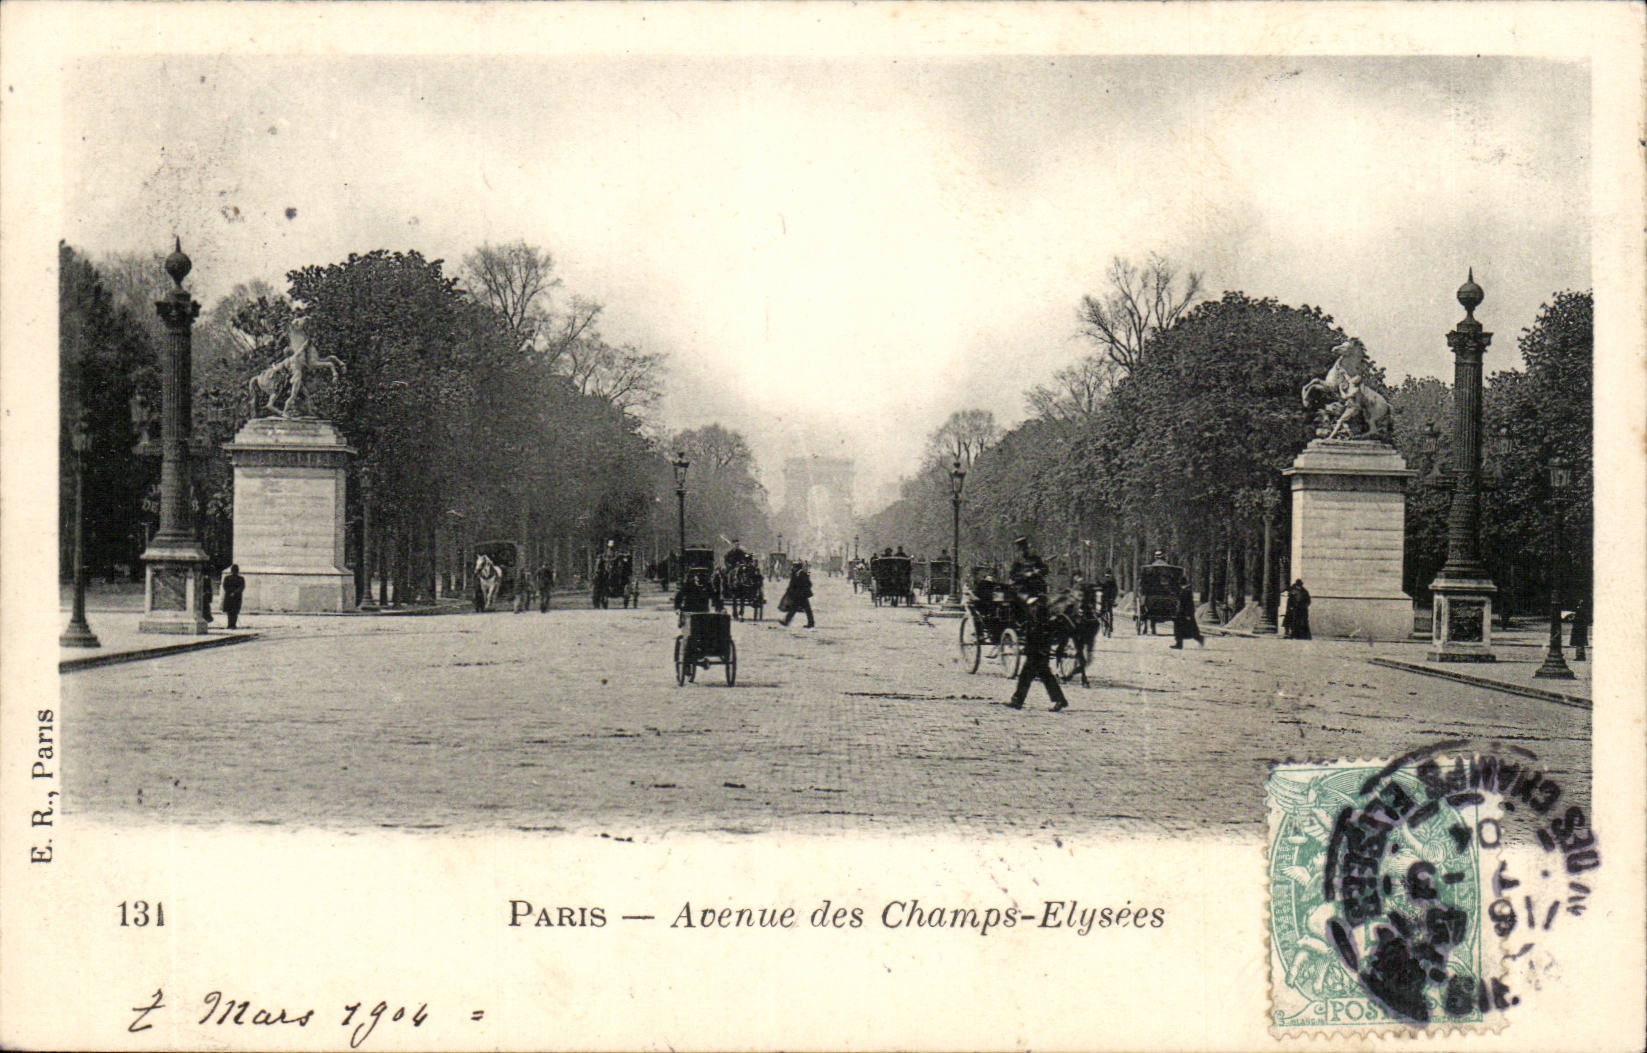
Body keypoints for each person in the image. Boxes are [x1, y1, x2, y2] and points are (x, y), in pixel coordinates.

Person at [1008, 597, 1068, 712]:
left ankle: (1018, 701)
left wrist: (1041, 650)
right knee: (1043, 677)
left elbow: (1042, 636)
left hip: (1037, 654)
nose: (1031, 609)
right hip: (1036, 653)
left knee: (1028, 676)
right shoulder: (1035, 619)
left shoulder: (1041, 621)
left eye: (1033, 606)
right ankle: (1059, 700)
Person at [1009, 536, 1049, 600]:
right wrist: (1024, 575)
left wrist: (1038, 571)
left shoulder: (1035, 559)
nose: (1024, 551)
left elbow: (1045, 570)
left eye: (1025, 548)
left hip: (1036, 588)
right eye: (1021, 549)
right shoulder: (1017, 563)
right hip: (1022, 589)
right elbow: (1012, 575)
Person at [779, 560, 815, 628]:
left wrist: (802, 590)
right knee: (797, 609)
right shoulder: (795, 574)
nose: (793, 568)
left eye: (794, 566)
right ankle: (787, 621)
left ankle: (787, 621)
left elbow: (809, 584)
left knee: (803, 609)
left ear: (798, 567)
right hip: (798, 595)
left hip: (802, 595)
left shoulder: (802, 574)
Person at [1171, 576, 1204, 648]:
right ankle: (1180, 643)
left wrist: (1188, 614)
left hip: (1184, 613)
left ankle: (1197, 638)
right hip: (1182, 613)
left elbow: (1188, 604)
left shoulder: (1186, 591)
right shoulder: (1185, 590)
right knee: (1184, 628)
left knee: (1185, 628)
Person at [221, 564, 246, 629]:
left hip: (232, 597)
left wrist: (233, 593)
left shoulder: (239, 578)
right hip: (233, 597)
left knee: (233, 611)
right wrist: (233, 593)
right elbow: (225, 586)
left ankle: (232, 624)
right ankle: (231, 624)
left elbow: (241, 587)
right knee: (232, 611)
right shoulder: (229, 578)